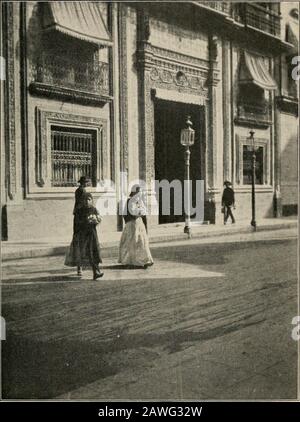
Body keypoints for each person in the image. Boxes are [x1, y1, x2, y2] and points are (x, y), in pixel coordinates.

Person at [65, 192, 104, 280]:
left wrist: (96, 221)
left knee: (94, 252)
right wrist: (86, 222)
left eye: (89, 199)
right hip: (83, 235)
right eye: (85, 200)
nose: (87, 201)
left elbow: (98, 219)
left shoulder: (93, 209)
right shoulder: (79, 210)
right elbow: (76, 223)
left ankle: (96, 272)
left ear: (92, 200)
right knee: (85, 253)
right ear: (82, 201)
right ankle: (82, 269)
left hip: (92, 234)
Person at [119, 185, 154, 268]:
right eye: (138, 192)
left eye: (140, 192)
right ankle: (130, 261)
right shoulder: (129, 201)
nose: (139, 194)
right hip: (132, 224)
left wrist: (142, 212)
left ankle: (145, 260)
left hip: (139, 223)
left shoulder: (139, 201)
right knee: (131, 242)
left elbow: (144, 210)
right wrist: (137, 213)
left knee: (141, 241)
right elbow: (128, 213)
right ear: (134, 192)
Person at [73, 176, 90, 276]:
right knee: (83, 242)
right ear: (84, 183)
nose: (87, 184)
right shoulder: (83, 192)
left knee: (78, 241)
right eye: (87, 182)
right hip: (82, 220)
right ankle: (81, 266)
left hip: (77, 219)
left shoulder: (78, 190)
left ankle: (80, 267)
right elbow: (83, 205)